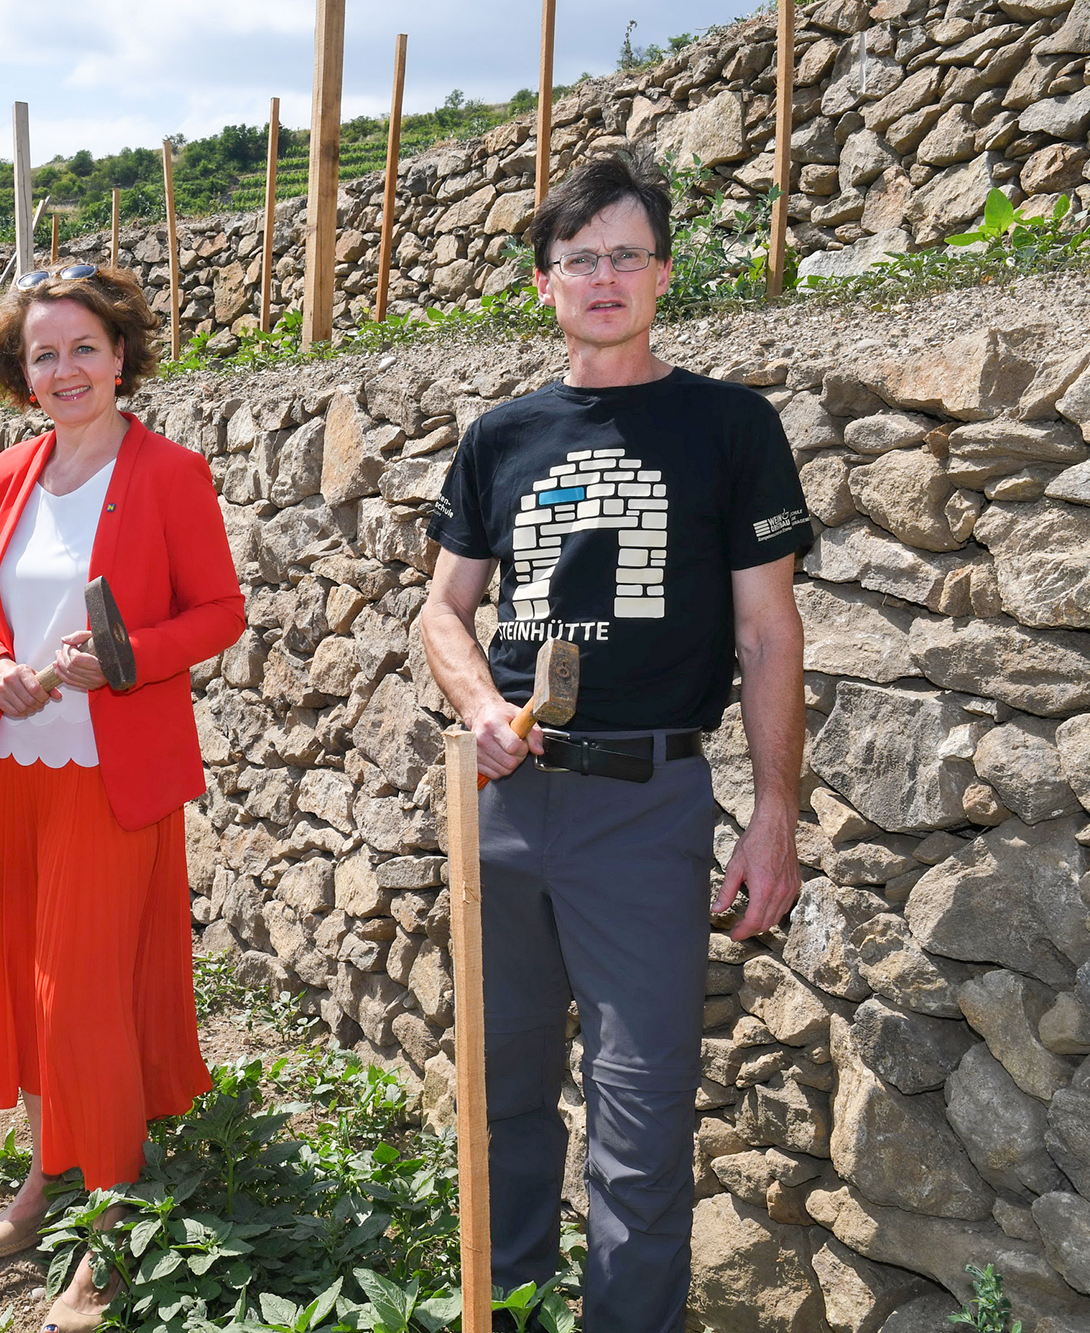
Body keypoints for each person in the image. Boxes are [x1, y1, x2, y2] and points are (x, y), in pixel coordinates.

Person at [415, 152, 809, 1332]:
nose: (602, 277)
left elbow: (765, 630)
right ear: (543, 284)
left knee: (638, 1131)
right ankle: (511, 1311)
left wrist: (775, 809)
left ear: (662, 275)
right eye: (578, 258)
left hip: (648, 804)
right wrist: (479, 705)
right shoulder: (501, 437)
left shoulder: (729, 426)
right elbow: (442, 608)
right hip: (506, 803)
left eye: (624, 256)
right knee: (502, 1103)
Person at [0, 263, 245, 1333]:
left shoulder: (169, 473)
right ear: (21, 374)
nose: (64, 370)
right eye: (42, 354)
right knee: (24, 985)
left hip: (113, 780)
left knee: (81, 998)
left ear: (120, 355)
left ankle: (109, 1226)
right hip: (11, 770)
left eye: (82, 349)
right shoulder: (5, 474)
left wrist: (128, 658)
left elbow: (217, 614)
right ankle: (48, 1167)